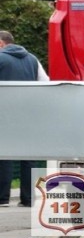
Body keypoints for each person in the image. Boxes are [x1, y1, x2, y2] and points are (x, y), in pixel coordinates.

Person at [0, 30, 45, 208]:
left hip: (5, 111)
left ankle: (2, 197)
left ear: (1, 43)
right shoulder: (33, 59)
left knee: (4, 153)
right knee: (28, 155)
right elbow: (45, 82)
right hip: (29, 112)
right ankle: (28, 198)